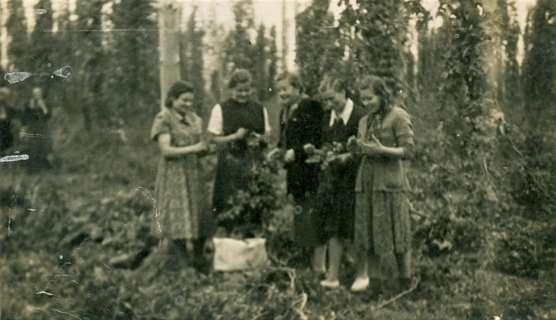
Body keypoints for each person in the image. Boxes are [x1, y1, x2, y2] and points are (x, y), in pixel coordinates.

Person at [348, 75, 415, 293]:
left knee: (399, 233)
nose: (366, 103)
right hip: (366, 183)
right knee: (369, 234)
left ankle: (405, 284)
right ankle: (375, 286)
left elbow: (408, 151)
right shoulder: (364, 121)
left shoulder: (398, 115)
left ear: (382, 94)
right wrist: (356, 148)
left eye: (370, 98)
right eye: (363, 99)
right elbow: (364, 150)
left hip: (390, 184)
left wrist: (383, 150)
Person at [150, 80, 212, 268]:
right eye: (183, 100)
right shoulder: (164, 118)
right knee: (177, 214)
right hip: (174, 173)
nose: (187, 104)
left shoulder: (195, 119)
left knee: (199, 211)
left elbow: (202, 145)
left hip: (194, 171)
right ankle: (183, 259)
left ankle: (199, 257)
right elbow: (166, 150)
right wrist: (195, 148)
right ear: (172, 99)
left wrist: (206, 148)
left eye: (190, 101)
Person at [311, 75, 365, 288]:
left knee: (355, 228)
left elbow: (364, 150)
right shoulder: (328, 117)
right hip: (334, 180)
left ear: (344, 92)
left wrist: (347, 157)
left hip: (356, 181)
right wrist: (320, 154)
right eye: (326, 100)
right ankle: (332, 276)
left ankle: (362, 275)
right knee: (333, 226)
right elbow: (327, 145)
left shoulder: (360, 116)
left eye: (333, 99)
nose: (329, 104)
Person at [207, 69, 271, 234]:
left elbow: (267, 137)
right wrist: (234, 137)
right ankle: (230, 252)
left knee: (253, 211)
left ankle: (252, 253)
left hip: (254, 166)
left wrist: (261, 139)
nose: (243, 94)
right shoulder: (220, 109)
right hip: (230, 167)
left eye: (247, 90)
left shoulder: (259, 109)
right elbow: (211, 140)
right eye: (239, 90)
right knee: (230, 212)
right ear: (231, 89)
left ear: (251, 89)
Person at [275, 72, 325, 273]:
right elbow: (285, 139)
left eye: (285, 89)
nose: (282, 94)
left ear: (297, 88)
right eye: (279, 90)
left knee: (311, 214)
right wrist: (278, 150)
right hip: (295, 173)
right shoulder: (285, 111)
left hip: (310, 171)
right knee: (300, 215)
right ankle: (305, 262)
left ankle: (317, 266)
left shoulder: (311, 107)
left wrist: (294, 153)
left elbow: (315, 138)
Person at [19, 87, 51, 172]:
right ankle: (31, 169)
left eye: (39, 93)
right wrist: (23, 130)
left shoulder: (45, 103)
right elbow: (23, 118)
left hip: (42, 128)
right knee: (31, 147)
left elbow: (48, 116)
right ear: (33, 95)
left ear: (41, 94)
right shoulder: (28, 104)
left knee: (42, 147)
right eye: (35, 94)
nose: (37, 95)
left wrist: (43, 107)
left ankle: (42, 168)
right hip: (31, 128)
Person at [0, 87, 17, 155]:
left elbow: (11, 119)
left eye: (3, 95)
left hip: (6, 132)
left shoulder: (9, 107)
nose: (1, 96)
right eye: (1, 94)